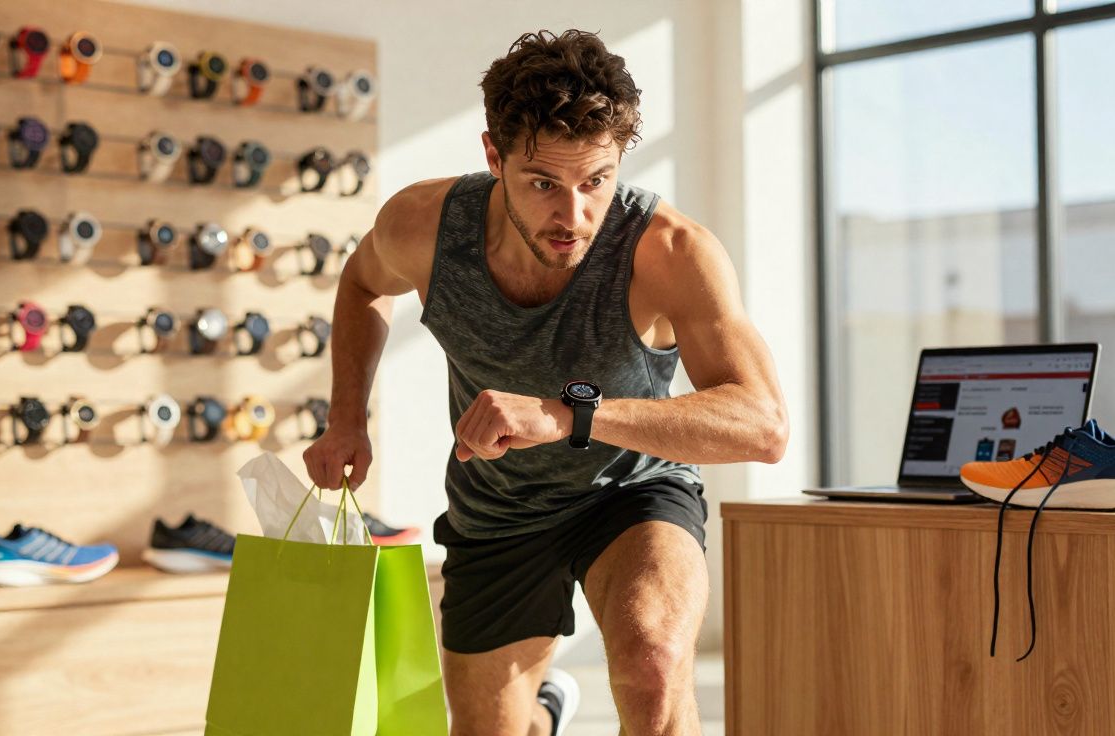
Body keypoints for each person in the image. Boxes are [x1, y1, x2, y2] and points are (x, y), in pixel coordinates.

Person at [303, 28, 788, 736]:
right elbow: (362, 285)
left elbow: (764, 424)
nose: (573, 216)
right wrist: (347, 416)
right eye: (542, 185)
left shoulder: (671, 252)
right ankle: (542, 715)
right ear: (493, 155)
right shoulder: (425, 226)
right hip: (497, 506)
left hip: (632, 490)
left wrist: (568, 416)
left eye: (596, 181)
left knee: (654, 667)